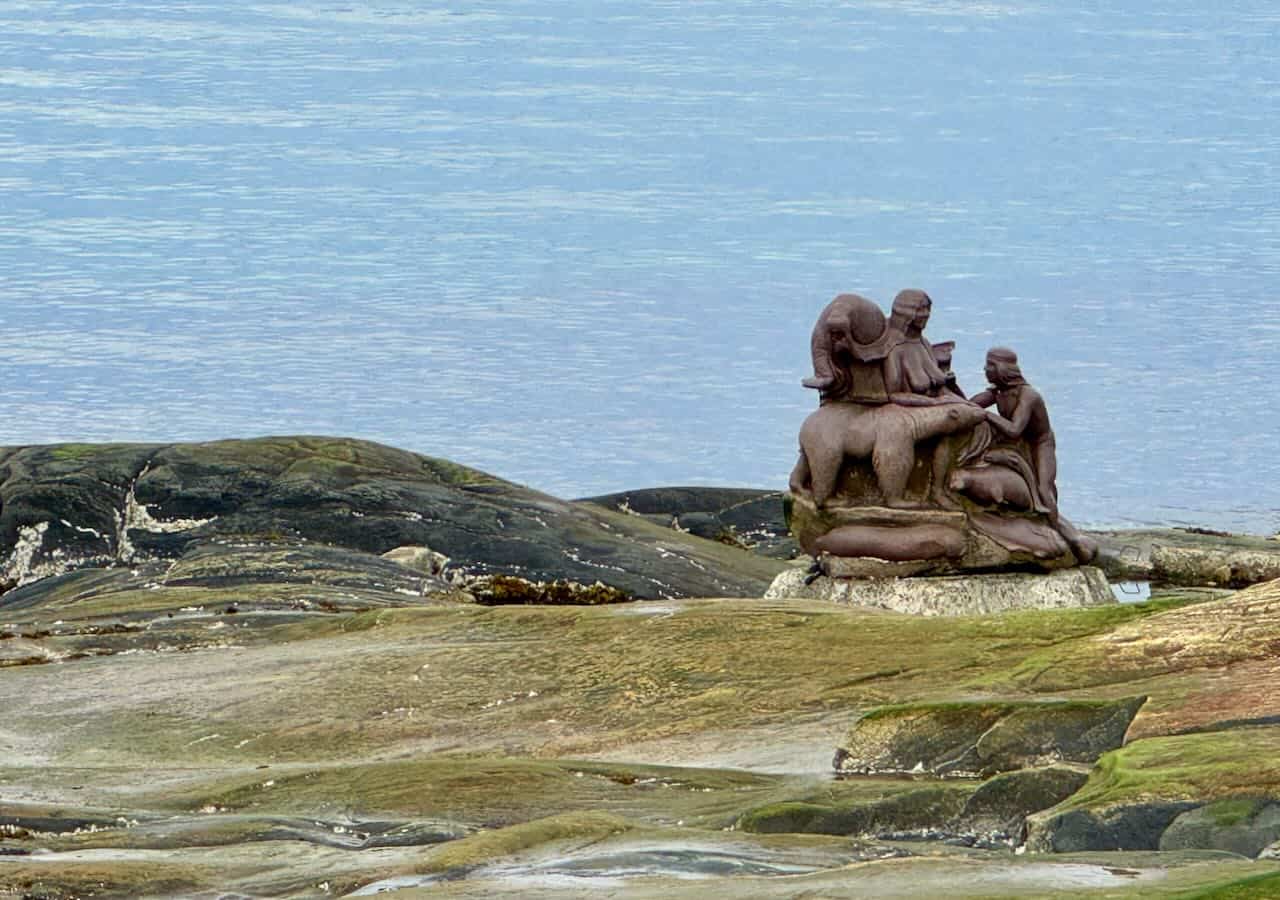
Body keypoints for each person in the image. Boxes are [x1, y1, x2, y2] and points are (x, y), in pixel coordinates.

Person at [969, 347, 1059, 520]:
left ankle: (1054, 528)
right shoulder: (998, 392)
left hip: (1040, 443)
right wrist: (950, 386)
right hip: (1018, 441)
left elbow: (1014, 429)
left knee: (1043, 489)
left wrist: (986, 415)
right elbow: (969, 405)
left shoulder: (1028, 395)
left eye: (990, 365)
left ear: (1001, 368)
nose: (985, 369)